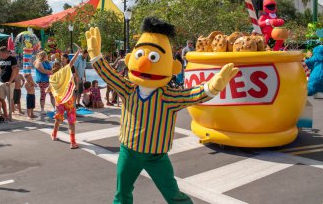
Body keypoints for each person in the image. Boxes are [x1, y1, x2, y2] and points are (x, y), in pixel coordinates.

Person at [86, 17, 238, 204]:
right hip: (128, 152)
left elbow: (191, 95)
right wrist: (95, 56)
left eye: (153, 57)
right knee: (122, 193)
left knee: (173, 194)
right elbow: (108, 76)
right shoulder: (128, 89)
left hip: (156, 156)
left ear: (174, 68)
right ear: (130, 59)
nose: (144, 64)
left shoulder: (168, 96)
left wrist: (210, 88)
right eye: (140, 55)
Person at [48, 49, 80, 149]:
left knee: (58, 118)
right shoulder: (64, 71)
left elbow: (49, 88)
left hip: (60, 101)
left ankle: (54, 134)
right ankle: (73, 142)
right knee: (71, 121)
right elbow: (71, 63)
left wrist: (49, 90)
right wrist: (77, 53)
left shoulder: (53, 77)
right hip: (69, 99)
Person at [34, 50, 54, 115]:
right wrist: (50, 72)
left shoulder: (46, 62)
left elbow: (51, 69)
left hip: (49, 80)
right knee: (43, 95)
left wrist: (50, 71)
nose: (47, 56)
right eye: (46, 55)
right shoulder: (38, 62)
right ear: (43, 56)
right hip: (42, 81)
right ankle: (42, 109)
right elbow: (43, 71)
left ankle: (55, 108)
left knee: (52, 95)